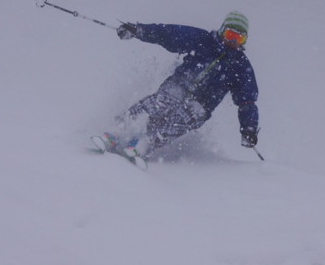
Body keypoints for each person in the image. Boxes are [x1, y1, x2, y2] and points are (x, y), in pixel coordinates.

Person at [103, 11, 259, 159]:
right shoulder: (203, 40)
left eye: (238, 38)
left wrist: (249, 129)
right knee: (160, 103)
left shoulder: (240, 65)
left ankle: (144, 144)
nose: (232, 41)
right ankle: (116, 131)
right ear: (222, 30)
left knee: (181, 119)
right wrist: (138, 30)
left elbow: (247, 101)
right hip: (179, 84)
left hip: (202, 103)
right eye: (230, 35)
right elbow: (168, 34)